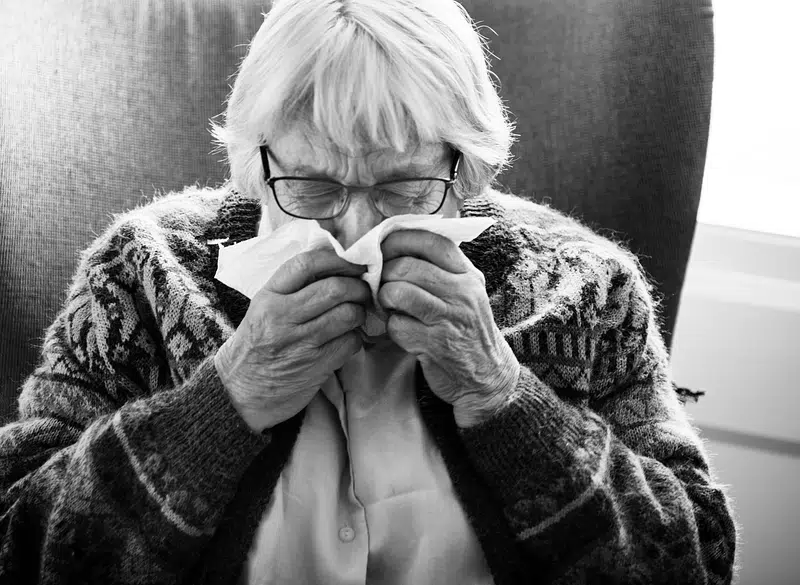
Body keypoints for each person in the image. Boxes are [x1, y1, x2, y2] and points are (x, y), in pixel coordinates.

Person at [0, 0, 737, 583]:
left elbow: (696, 558)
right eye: (313, 186)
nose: (355, 230)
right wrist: (223, 404)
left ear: (467, 170)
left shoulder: (590, 293)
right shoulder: (142, 279)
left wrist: (505, 399)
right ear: (257, 165)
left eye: (401, 187)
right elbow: (16, 541)